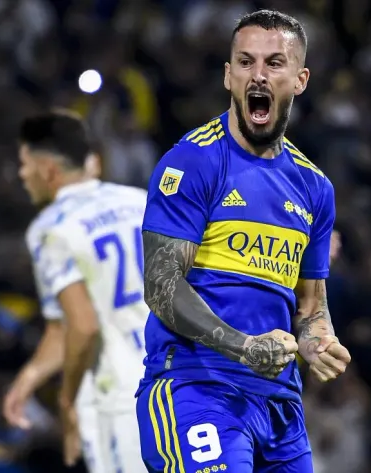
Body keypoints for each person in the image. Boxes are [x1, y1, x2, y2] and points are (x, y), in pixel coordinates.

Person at [137, 10, 351, 472]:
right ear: (228, 76)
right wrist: (242, 346)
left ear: (300, 79)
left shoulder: (315, 188)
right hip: (195, 388)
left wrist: (316, 340)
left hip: (279, 406)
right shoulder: (192, 162)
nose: (258, 74)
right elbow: (159, 286)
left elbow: (311, 306)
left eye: (275, 63)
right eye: (245, 62)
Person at [2, 110, 149, 472]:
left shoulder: (51, 229)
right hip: (180, 381)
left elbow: (81, 326)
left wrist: (66, 400)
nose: (21, 174)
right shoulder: (140, 200)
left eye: (24, 164)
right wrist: (29, 379)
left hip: (117, 396)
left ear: (48, 169)